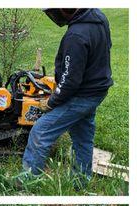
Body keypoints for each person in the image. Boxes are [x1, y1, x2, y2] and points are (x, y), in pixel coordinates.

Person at [22, 8, 113, 182]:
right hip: (96, 89)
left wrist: (52, 102)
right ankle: (81, 180)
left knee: (40, 132)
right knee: (83, 137)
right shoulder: (98, 17)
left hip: (81, 95)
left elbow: (70, 80)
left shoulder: (76, 36)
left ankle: (29, 180)